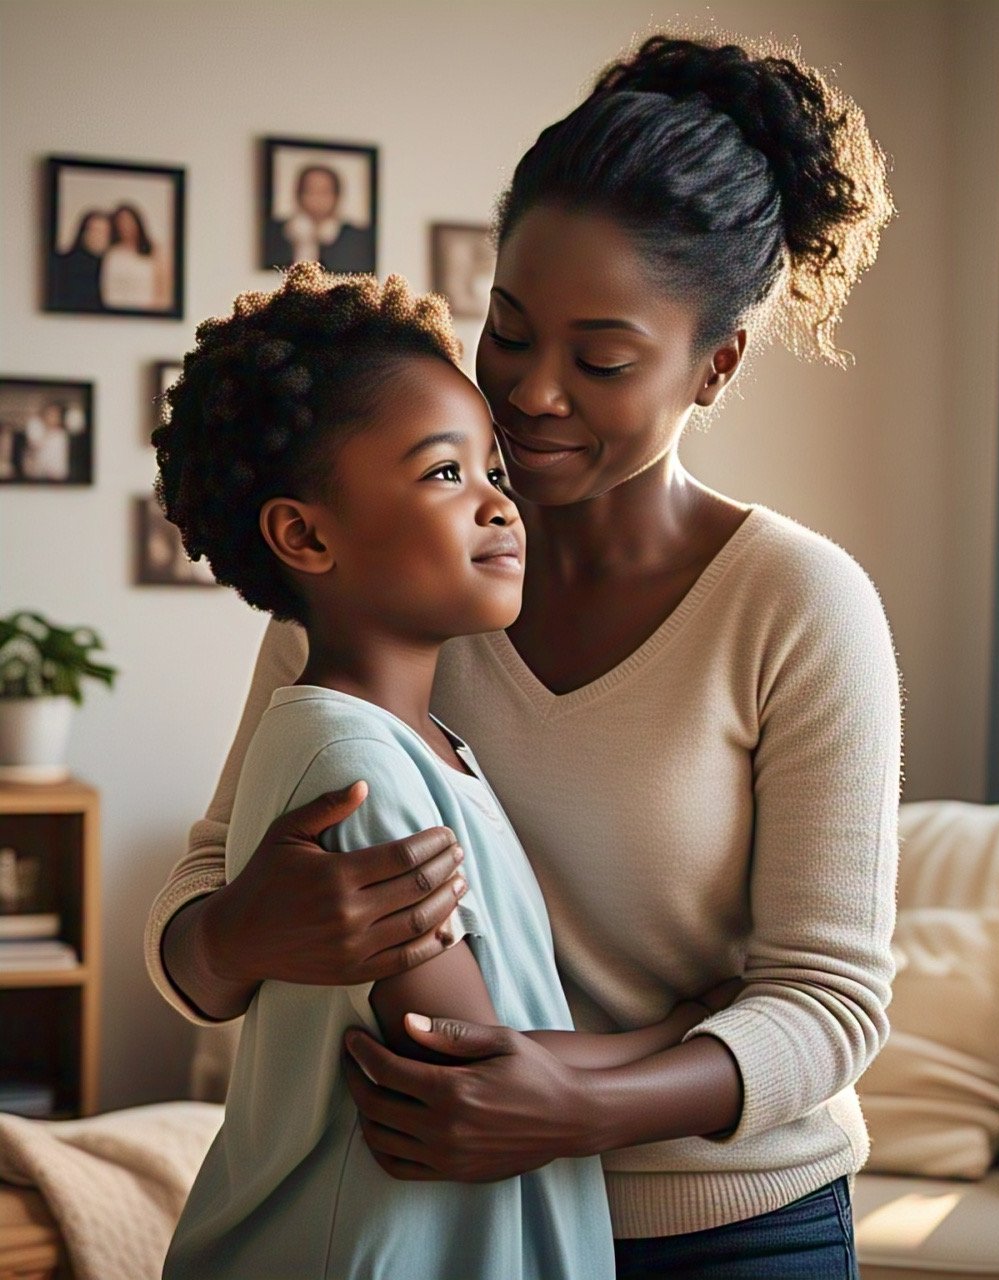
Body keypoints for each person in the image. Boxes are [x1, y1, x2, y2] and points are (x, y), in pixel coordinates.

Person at [147, 34, 901, 1278]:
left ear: (714, 365)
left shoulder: (795, 605)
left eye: (600, 359)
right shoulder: (375, 577)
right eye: (508, 329)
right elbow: (199, 905)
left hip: (727, 1231)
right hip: (448, 1223)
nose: (531, 393)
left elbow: (828, 1001)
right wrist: (242, 934)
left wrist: (585, 1105)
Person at [156, 263, 738, 1278]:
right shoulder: (347, 761)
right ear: (304, 533)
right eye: (443, 474)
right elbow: (467, 1055)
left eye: (491, 473)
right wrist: (682, 1031)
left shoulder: (433, 745)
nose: (500, 507)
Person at [264, 162, 375, 272]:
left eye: (324, 192)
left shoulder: (357, 238)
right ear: (298, 194)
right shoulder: (276, 231)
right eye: (310, 191)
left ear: (336, 196)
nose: (317, 198)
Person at [102, 203, 165, 310]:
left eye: (129, 221)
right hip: (115, 311)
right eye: (121, 223)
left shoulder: (153, 250)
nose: (125, 227)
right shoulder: (110, 251)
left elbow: (162, 287)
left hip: (146, 310)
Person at [51, 209, 111, 310]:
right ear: (83, 233)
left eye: (104, 232)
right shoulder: (64, 262)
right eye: (94, 230)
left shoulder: (111, 265)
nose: (98, 236)